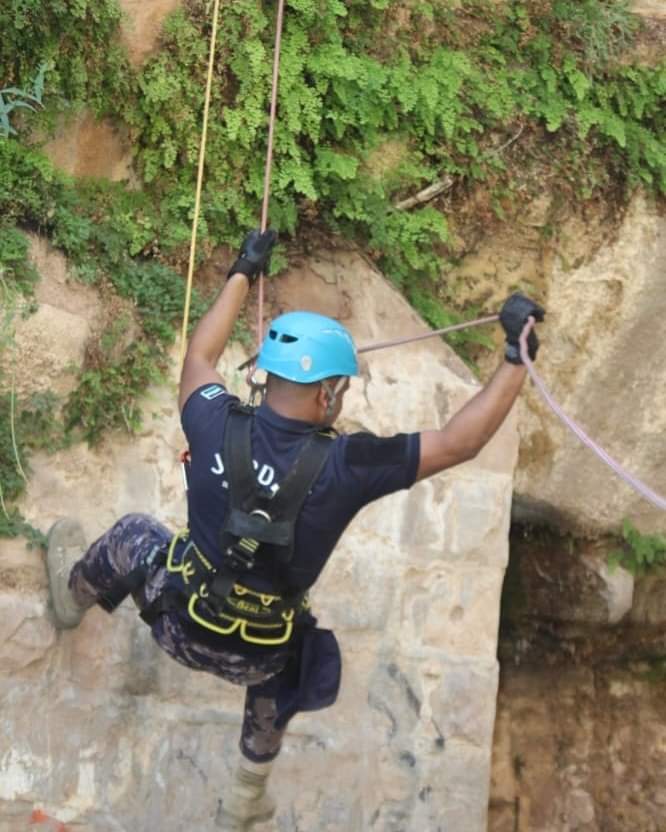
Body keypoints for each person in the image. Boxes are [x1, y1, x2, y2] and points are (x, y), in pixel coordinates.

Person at [45, 229, 545, 831]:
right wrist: (517, 360)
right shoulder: (348, 465)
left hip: (175, 624)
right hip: (260, 656)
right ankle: (245, 793)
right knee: (292, 636)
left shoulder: (211, 417)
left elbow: (199, 359)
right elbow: (460, 442)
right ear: (329, 393)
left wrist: (242, 272)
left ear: (264, 376)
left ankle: (72, 597)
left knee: (134, 532)